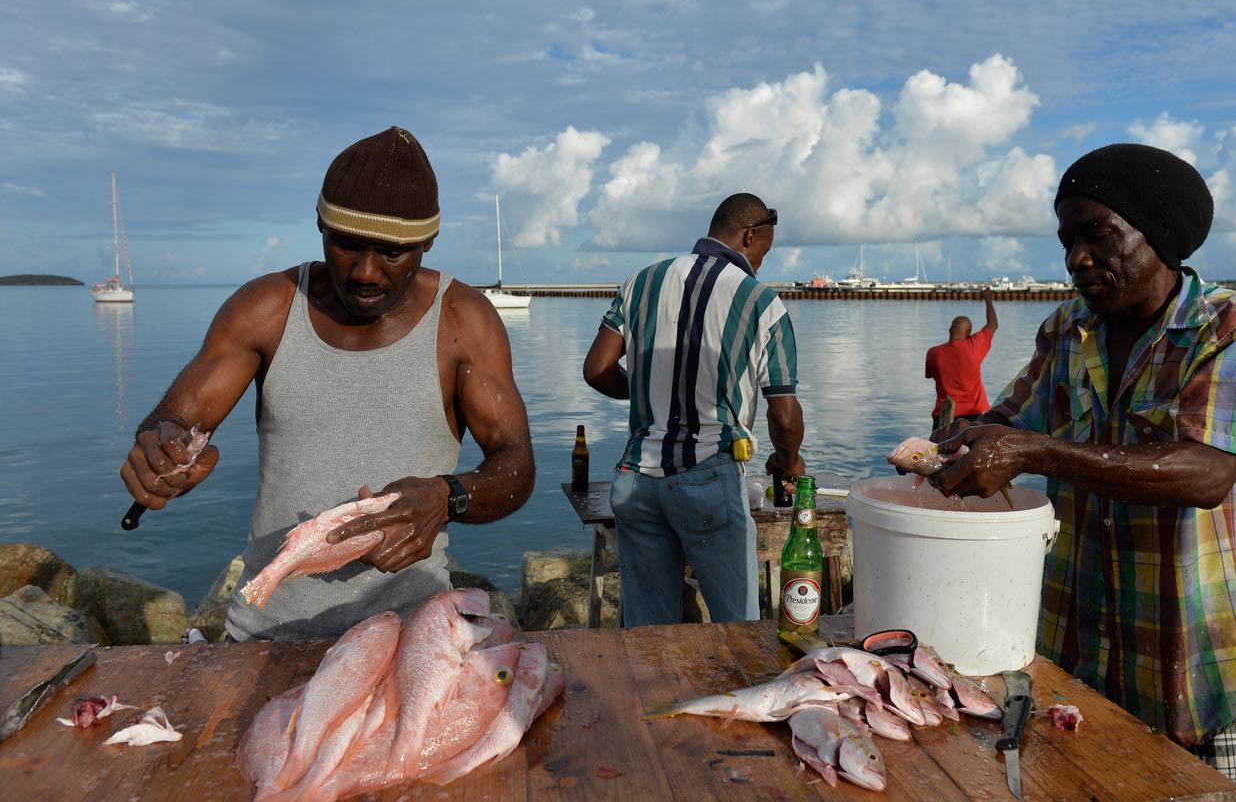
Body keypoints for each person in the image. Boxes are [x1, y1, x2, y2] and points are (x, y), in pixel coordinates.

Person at [930, 144, 1236, 801]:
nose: (1077, 259)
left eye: (1097, 235)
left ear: (1158, 234)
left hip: (1206, 672)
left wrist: (1032, 454)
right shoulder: (1069, 330)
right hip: (1084, 665)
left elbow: (1204, 472)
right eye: (1068, 240)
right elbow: (1010, 419)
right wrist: (953, 444)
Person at [119, 127, 535, 641]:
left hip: (407, 637)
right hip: (267, 633)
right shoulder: (266, 308)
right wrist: (162, 454)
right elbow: (178, 422)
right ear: (319, 225)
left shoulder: (463, 321)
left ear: (427, 242)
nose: (365, 272)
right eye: (345, 245)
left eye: (392, 253)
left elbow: (515, 466)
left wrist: (447, 497)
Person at [582, 193, 806, 626]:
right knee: (738, 630)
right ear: (749, 235)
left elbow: (597, 369)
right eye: (764, 250)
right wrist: (791, 461)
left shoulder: (640, 282)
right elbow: (784, 412)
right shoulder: (761, 302)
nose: (762, 261)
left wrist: (650, 389)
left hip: (635, 481)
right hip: (709, 474)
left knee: (649, 637)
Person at [924, 289, 997, 431]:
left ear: (950, 330)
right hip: (973, 416)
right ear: (968, 334)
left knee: (940, 451)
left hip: (942, 416)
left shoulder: (933, 353)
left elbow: (931, 376)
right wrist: (988, 299)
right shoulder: (973, 346)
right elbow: (993, 324)